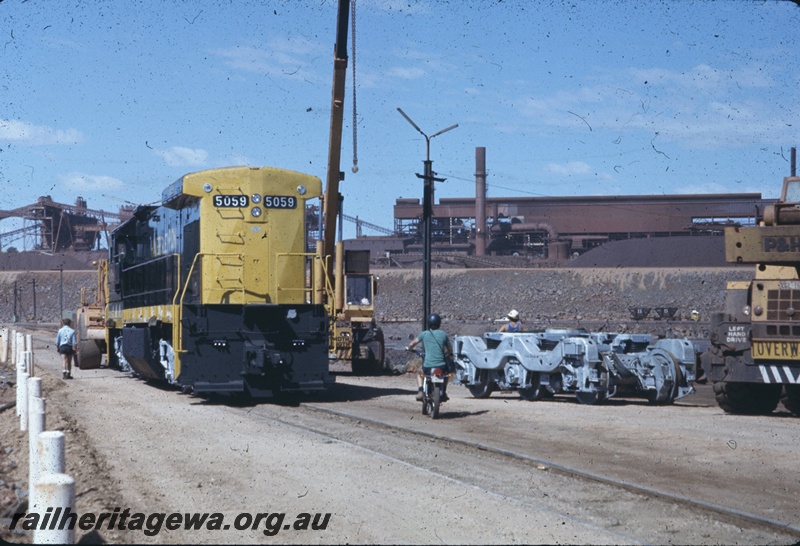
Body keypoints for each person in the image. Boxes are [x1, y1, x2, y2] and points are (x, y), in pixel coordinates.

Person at [407, 313, 452, 402]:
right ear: (439, 323)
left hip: (428, 366)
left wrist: (409, 348)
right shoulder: (443, 334)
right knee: (446, 374)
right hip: (441, 366)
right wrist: (449, 353)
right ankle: (443, 391)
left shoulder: (424, 334)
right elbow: (449, 349)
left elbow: (412, 343)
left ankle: (420, 391)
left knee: (420, 372)